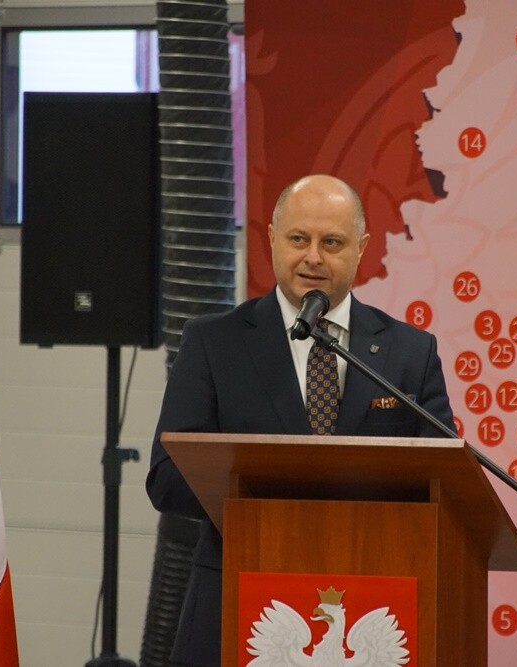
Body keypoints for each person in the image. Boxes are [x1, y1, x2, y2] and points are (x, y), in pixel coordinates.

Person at [145, 174, 455, 665]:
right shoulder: (214, 342)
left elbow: (448, 485)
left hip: (373, 597)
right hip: (236, 599)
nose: (313, 257)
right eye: (298, 239)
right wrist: (271, 490)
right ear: (272, 239)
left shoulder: (409, 354)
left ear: (361, 248)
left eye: (331, 242)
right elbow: (166, 479)